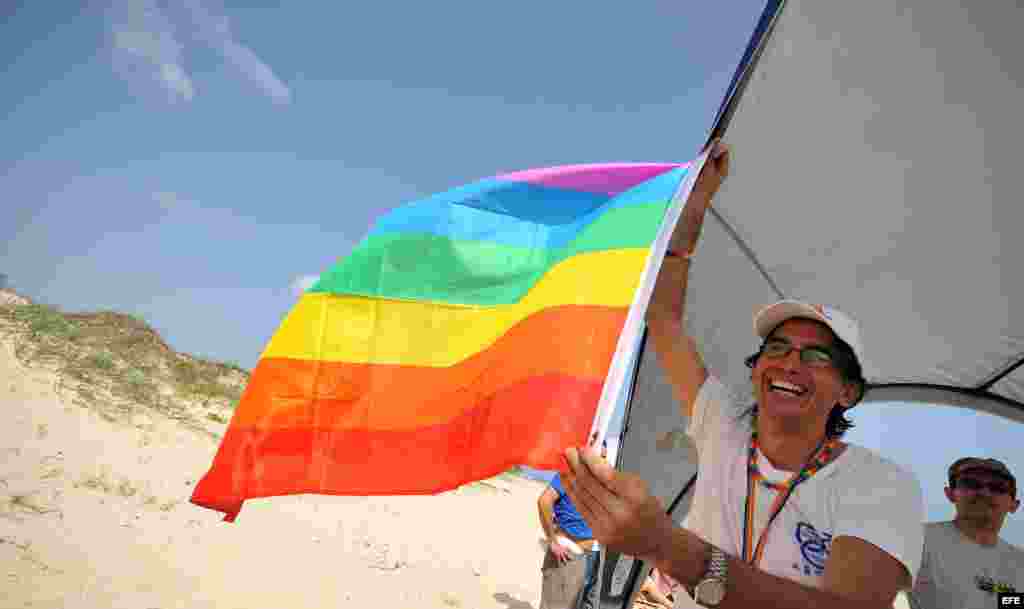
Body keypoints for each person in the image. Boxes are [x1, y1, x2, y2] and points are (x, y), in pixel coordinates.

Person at [561, 141, 926, 608]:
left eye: (817, 356)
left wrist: (665, 544)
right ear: (756, 373)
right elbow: (665, 319)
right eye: (777, 348)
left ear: (848, 393)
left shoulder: (880, 485)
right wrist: (693, 209)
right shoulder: (724, 426)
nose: (790, 363)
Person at [909, 457, 1024, 609]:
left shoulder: (1020, 562)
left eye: (997, 487)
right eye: (970, 484)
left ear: (1014, 505)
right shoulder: (917, 540)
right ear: (950, 494)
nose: (984, 492)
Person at [537, 442, 607, 609]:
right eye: (601, 457)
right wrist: (552, 541)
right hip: (568, 554)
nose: (603, 461)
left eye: (605, 457)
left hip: (586, 556)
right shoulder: (569, 475)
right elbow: (543, 501)